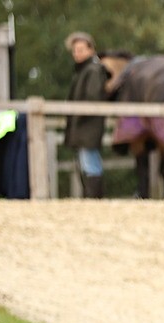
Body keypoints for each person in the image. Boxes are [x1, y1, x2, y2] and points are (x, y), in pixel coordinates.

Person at [63, 31, 108, 198]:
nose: (77, 53)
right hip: (83, 124)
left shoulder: (93, 70)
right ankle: (91, 198)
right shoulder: (84, 71)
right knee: (86, 162)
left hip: (88, 124)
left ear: (91, 49)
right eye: (75, 50)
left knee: (90, 162)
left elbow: (92, 97)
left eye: (81, 49)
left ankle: (93, 199)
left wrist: (78, 116)